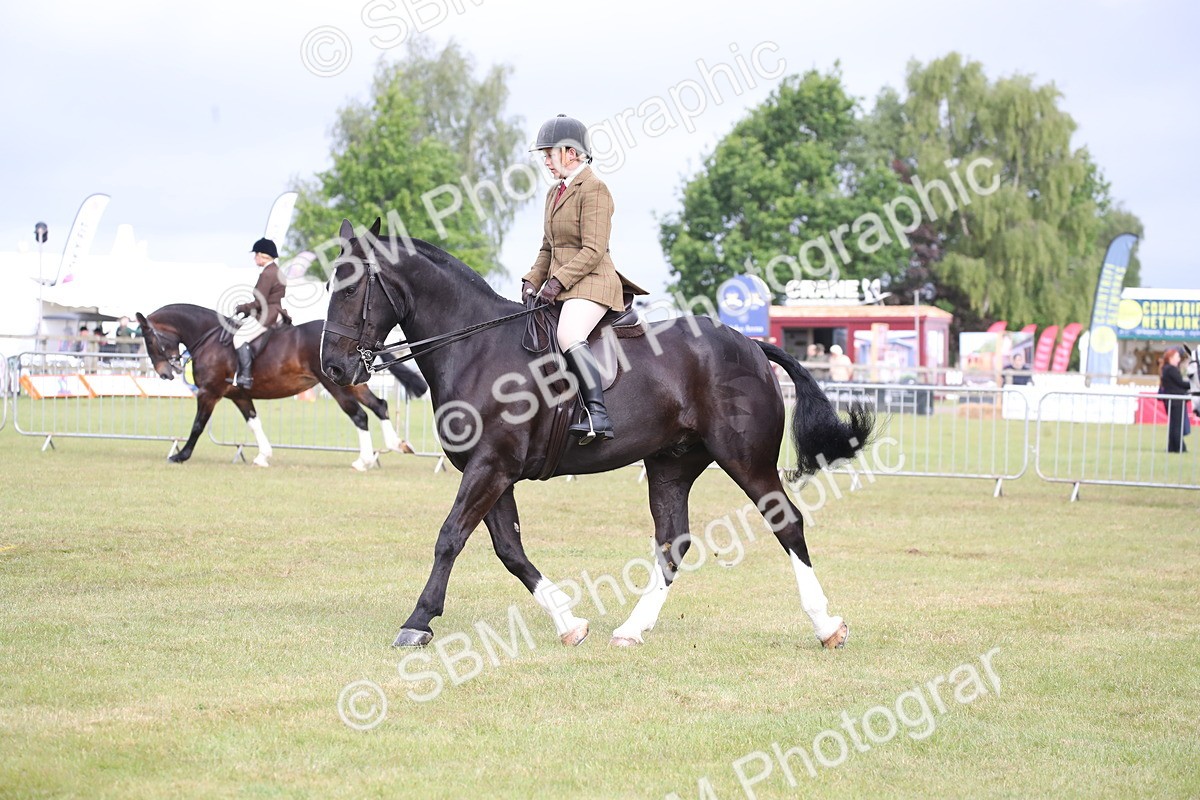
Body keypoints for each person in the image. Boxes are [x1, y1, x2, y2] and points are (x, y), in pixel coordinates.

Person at [522, 114, 646, 444]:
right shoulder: (554, 193)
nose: (546, 161)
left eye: (550, 154)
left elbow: (593, 249)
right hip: (563, 286)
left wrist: (556, 282)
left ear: (571, 153)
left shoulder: (595, 189)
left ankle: (597, 414)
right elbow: (548, 247)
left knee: (568, 333)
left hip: (593, 283)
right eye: (544, 155)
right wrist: (532, 280)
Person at [230, 238, 286, 390]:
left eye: (256, 254)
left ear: (262, 255)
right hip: (275, 311)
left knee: (239, 337)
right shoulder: (276, 271)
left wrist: (243, 308)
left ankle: (246, 376)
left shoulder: (268, 273)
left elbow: (260, 301)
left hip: (269, 313)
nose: (254, 258)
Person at [1159, 346, 1191, 453]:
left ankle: (1173, 447)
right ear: (1171, 358)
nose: (1179, 359)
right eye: (1177, 357)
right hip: (1176, 401)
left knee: (1174, 425)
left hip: (1172, 401)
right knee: (1177, 425)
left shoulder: (1166, 369)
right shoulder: (1171, 369)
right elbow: (1181, 383)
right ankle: (1178, 447)